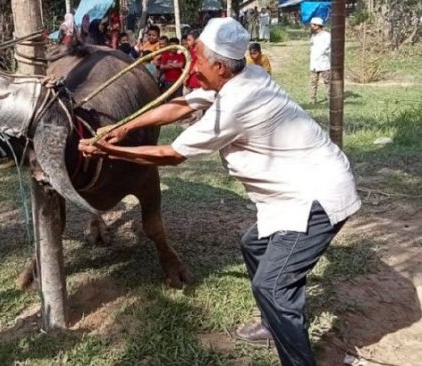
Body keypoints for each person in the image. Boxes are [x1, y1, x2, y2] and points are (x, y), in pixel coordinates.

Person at [79, 18, 361, 366]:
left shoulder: (235, 104)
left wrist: (108, 151)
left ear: (218, 66)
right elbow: (183, 105)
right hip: (294, 195)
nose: (191, 64)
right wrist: (124, 128)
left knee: (272, 286)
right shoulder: (247, 76)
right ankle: (274, 324)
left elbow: (171, 155)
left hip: (318, 195)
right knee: (254, 244)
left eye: (197, 58)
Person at [309, 17, 330, 104]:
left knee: (327, 82)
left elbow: (326, 48)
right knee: (313, 82)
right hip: (314, 63)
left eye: (312, 25)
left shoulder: (327, 35)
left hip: (323, 63)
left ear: (317, 26)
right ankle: (312, 99)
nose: (311, 27)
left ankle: (330, 99)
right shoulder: (313, 36)